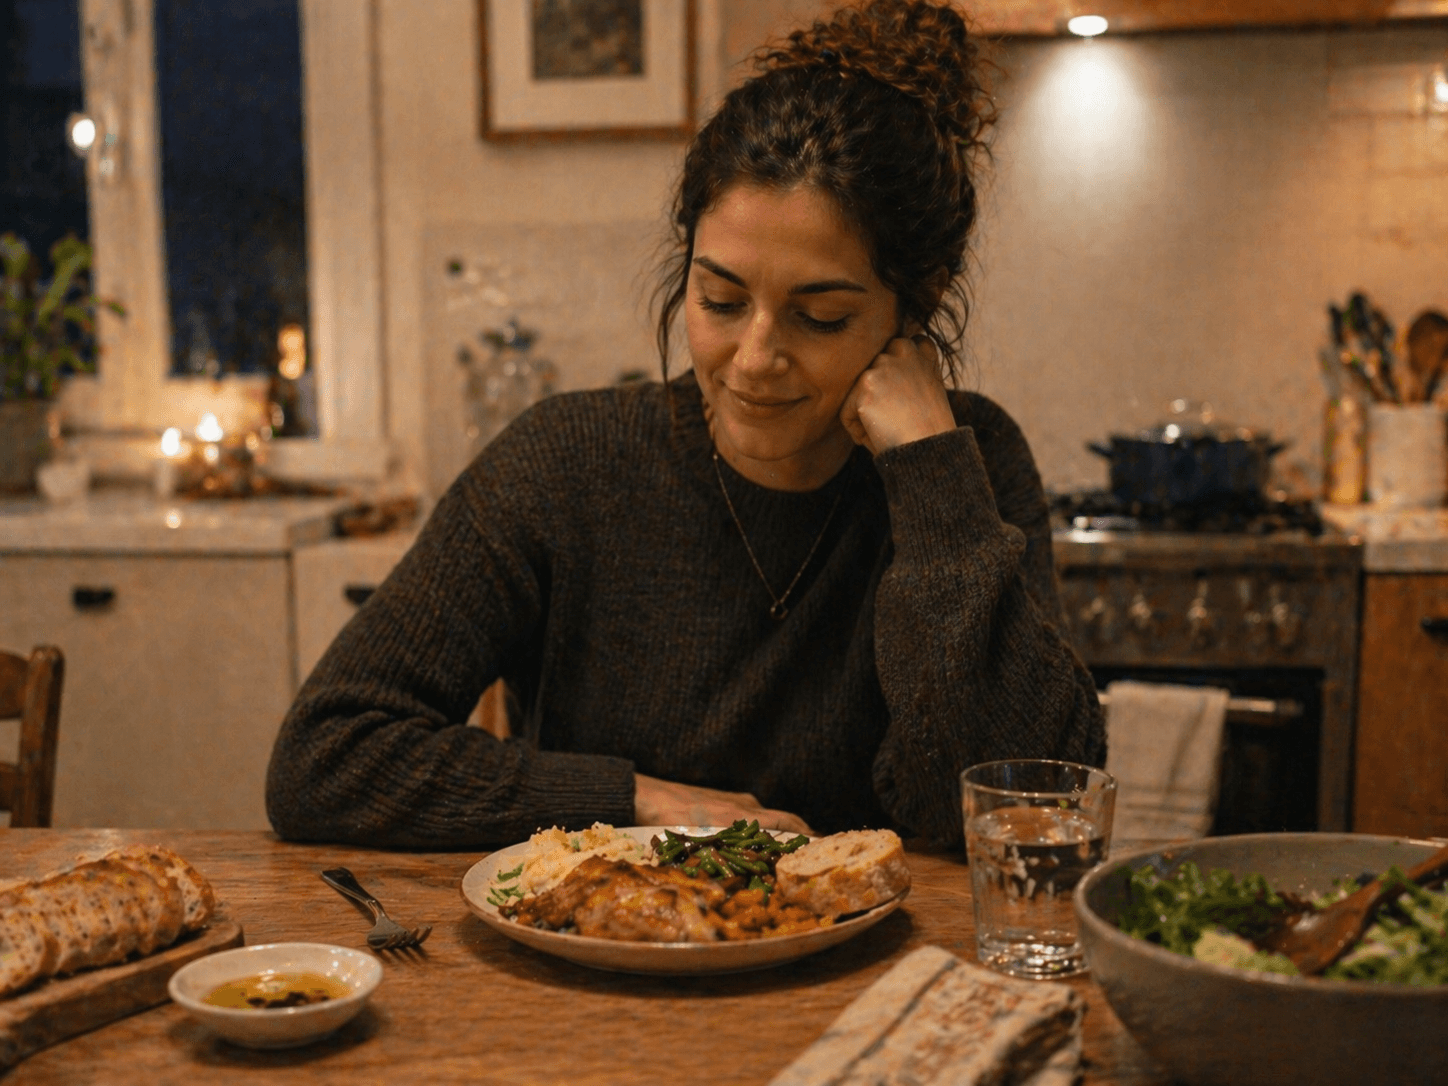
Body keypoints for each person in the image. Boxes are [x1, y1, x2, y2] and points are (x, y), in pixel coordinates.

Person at [266, 0, 1106, 851]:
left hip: (878, 939)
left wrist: (930, 477)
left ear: (914, 306)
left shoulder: (966, 467)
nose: (754, 358)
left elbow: (1026, 812)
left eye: (819, 317)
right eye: (721, 300)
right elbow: (325, 755)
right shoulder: (567, 462)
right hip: (611, 928)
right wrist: (635, 800)